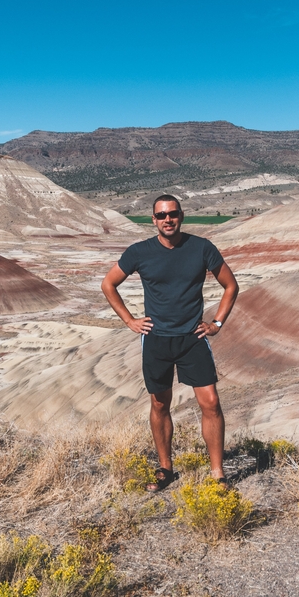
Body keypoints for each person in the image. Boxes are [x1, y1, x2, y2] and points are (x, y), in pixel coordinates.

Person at [101, 194, 239, 491]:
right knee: (159, 403)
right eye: (161, 215)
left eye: (172, 214)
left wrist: (216, 323)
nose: (168, 220)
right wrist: (129, 320)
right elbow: (108, 284)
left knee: (211, 403)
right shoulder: (139, 252)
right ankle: (166, 468)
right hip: (156, 340)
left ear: (181, 215)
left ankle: (218, 473)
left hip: (193, 338)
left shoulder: (202, 248)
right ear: (153, 219)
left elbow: (230, 286)